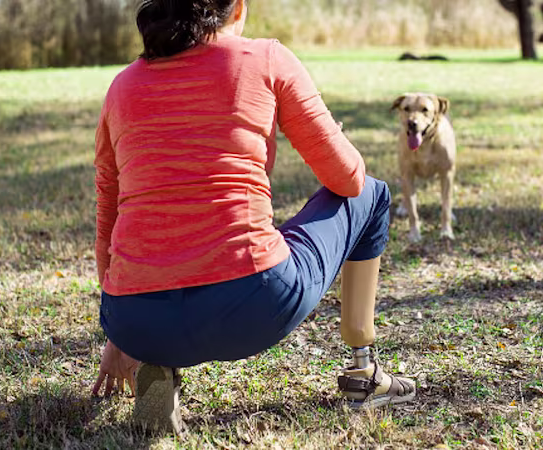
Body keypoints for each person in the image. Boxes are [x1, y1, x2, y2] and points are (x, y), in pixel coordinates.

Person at [90, 0, 415, 434]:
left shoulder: (122, 86)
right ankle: (363, 372)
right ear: (238, 8)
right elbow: (349, 179)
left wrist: (120, 331)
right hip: (252, 305)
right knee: (373, 194)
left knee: (162, 265)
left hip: (134, 318)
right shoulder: (266, 57)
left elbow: (108, 218)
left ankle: (158, 364)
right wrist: (333, 131)